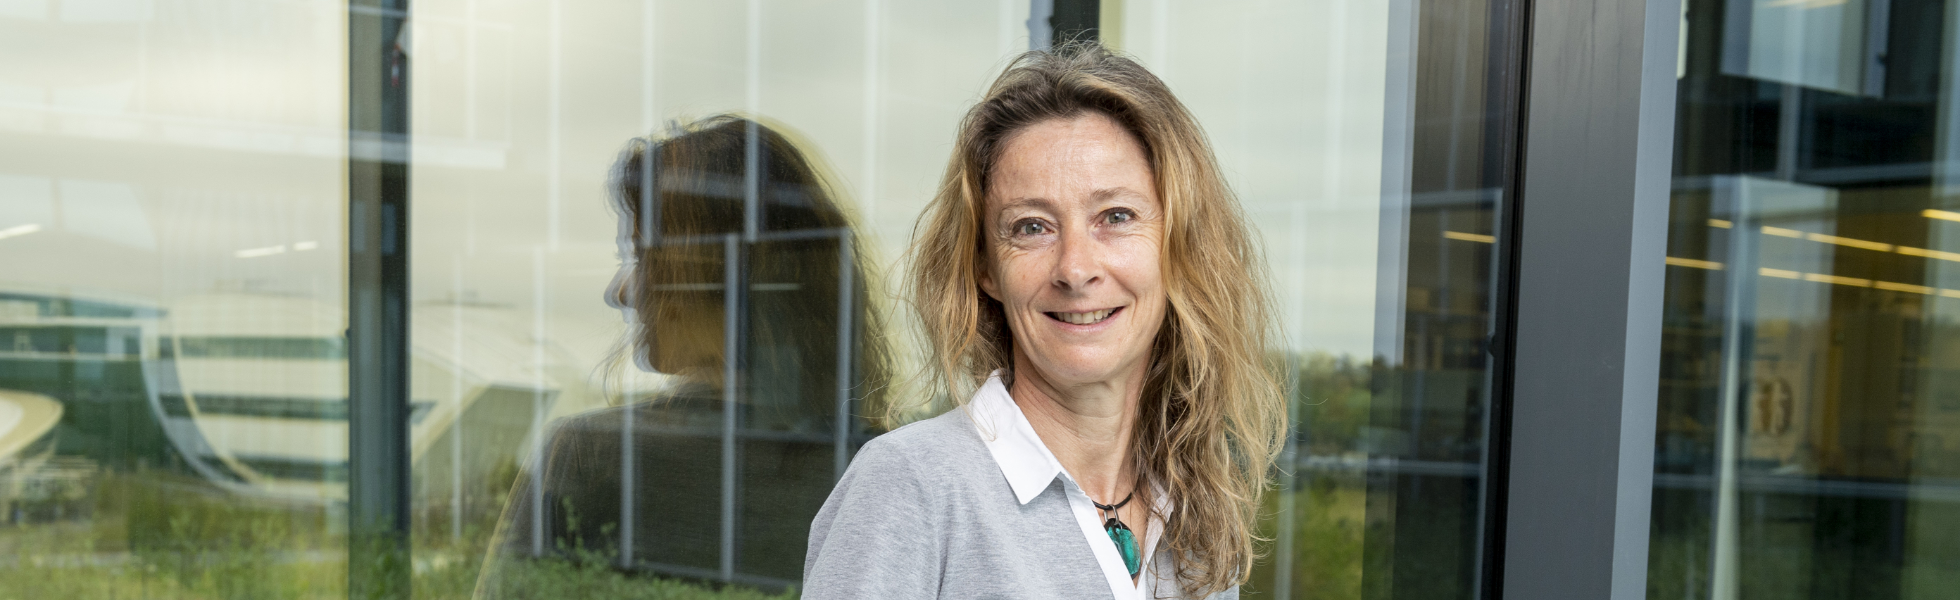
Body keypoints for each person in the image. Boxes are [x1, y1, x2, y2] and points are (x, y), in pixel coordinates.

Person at [802, 45, 1285, 599]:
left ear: (1179, 245)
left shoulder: (1194, 510)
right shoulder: (910, 486)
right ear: (985, 267)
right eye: (1031, 227)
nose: (1075, 269)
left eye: (1116, 216)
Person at [476, 115, 890, 597]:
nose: (620, 291)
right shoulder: (878, 468)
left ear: (711, 275)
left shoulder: (592, 458)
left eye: (640, 257)